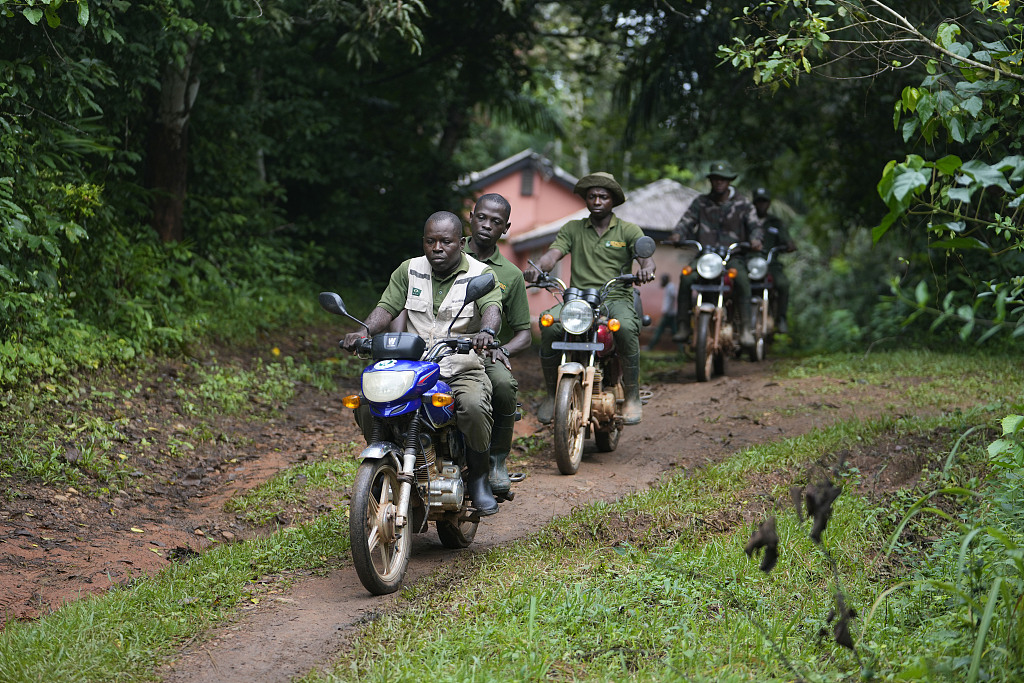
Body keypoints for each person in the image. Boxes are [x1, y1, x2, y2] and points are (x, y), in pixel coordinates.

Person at [342, 211, 504, 515]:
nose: (437, 247)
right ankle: (385, 466)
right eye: (431, 241)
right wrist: (363, 330)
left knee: (472, 405)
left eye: (446, 241)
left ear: (461, 242)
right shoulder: (409, 270)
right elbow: (386, 307)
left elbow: (492, 308)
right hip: (414, 369)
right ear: (424, 242)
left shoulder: (481, 274)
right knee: (368, 402)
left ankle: (480, 477)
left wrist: (486, 331)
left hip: (459, 367)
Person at [525, 172, 656, 425]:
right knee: (548, 323)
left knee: (627, 327)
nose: (597, 201)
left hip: (615, 296)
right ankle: (553, 395)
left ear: (612, 201)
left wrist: (646, 269)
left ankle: (632, 396)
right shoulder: (573, 229)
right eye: (592, 196)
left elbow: (646, 258)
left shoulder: (628, 230)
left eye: (603, 197)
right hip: (578, 299)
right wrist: (538, 267)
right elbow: (553, 254)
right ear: (586, 200)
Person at [464, 193, 533, 500]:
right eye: (482, 218)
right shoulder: (444, 252)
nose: (487, 226)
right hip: (436, 344)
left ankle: (496, 461)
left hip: (484, 351)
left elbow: (524, 333)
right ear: (471, 216)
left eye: (496, 222)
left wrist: (501, 349)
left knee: (504, 385)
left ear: (505, 228)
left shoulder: (511, 275)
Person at [669, 161, 763, 347]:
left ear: (729, 181)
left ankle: (745, 329)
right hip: (705, 257)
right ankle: (683, 326)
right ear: (710, 181)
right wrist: (677, 234)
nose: (719, 182)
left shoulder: (743, 204)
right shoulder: (701, 202)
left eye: (723, 179)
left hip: (732, 257)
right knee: (686, 277)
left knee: (743, 279)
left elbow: (755, 227)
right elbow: (686, 221)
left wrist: (756, 239)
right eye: (715, 179)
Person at [752, 187, 797, 334]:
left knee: (783, 284)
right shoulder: (748, 219)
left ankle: (781, 318)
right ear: (754, 203)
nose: (761, 205)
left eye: (764, 201)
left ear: (769, 203)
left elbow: (786, 239)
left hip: (771, 263)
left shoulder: (775, 222)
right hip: (750, 262)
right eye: (758, 201)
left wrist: (789, 245)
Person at [644, 274, 678, 350]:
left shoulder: (670, 287)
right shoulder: (669, 287)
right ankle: (682, 349)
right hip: (670, 314)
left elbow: (673, 298)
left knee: (659, 331)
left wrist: (666, 310)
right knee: (674, 332)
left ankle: (650, 347)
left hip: (669, 314)